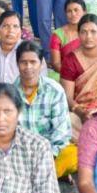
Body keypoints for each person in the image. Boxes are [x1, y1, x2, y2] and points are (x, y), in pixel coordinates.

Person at [12, 41, 76, 178]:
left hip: (49, 153)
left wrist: (47, 157)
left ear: (41, 64)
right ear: (17, 65)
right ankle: (48, 177)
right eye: (23, 62)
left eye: (33, 62)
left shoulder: (54, 90)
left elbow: (61, 132)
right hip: (21, 154)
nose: (28, 67)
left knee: (73, 155)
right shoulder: (9, 93)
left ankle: (41, 176)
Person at [0, 11, 46, 99]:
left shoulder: (33, 53)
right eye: (5, 26)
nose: (11, 30)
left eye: (15, 26)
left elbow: (41, 82)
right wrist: (0, 97)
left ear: (21, 31)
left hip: (25, 100)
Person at [50, 0, 95, 74]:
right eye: (69, 11)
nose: (73, 14)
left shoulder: (94, 32)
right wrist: (71, 76)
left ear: (84, 12)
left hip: (91, 74)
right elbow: (56, 64)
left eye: (76, 10)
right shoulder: (58, 35)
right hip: (65, 75)